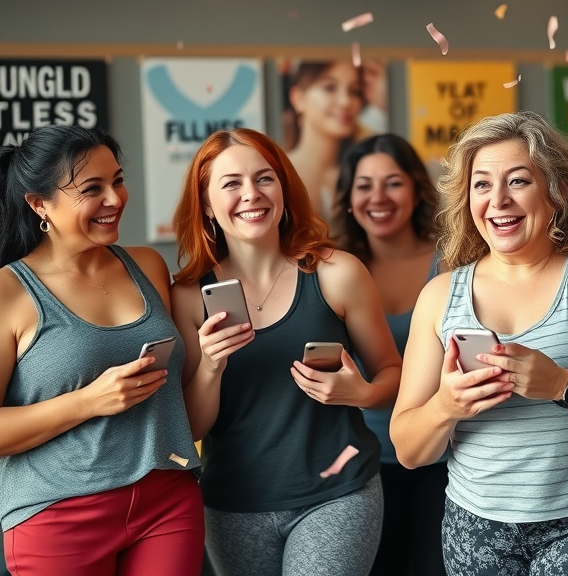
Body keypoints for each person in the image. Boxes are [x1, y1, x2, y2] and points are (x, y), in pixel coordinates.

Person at [391, 111, 568, 576]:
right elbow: (408, 450)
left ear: (557, 190)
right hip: (475, 525)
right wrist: (446, 406)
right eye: (482, 184)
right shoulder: (441, 296)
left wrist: (565, 385)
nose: (498, 200)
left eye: (518, 181)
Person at [170, 128, 402, 576]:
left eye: (265, 178)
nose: (251, 194)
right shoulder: (186, 296)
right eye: (231, 183)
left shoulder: (337, 273)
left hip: (338, 494)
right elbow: (193, 426)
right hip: (233, 501)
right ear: (205, 204)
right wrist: (212, 367)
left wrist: (360, 394)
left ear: (284, 188)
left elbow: (393, 374)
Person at [0, 125, 203, 576]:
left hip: (167, 498)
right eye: (93, 188)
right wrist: (90, 402)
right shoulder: (9, 292)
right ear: (39, 204)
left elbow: (178, 393)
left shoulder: (149, 265)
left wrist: (214, 359)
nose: (115, 198)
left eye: (118, 180)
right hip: (58, 514)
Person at [331, 134, 447, 576]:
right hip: (361, 462)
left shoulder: (452, 260)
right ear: (348, 197)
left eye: (393, 183)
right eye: (364, 185)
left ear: (417, 189)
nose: (377, 197)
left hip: (444, 454)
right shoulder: (332, 268)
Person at [284, 60, 369, 219]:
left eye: (355, 91)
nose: (345, 101)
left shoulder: (364, 175)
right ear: (298, 98)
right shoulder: (278, 173)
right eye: (329, 87)